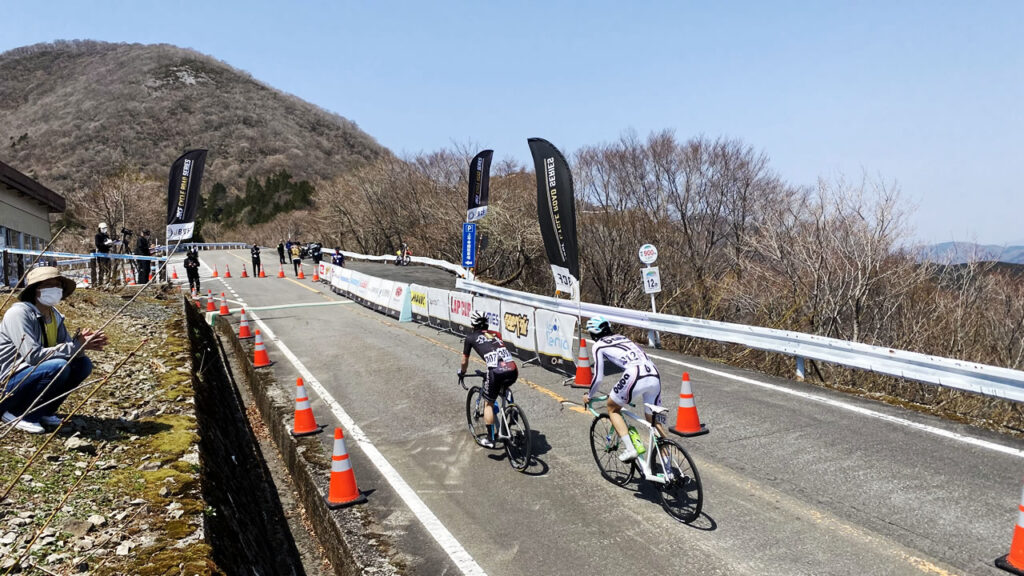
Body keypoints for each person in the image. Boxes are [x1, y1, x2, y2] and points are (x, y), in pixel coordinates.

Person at [0, 267, 107, 433]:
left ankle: (43, 410)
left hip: (32, 373)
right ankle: (17, 412)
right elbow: (33, 356)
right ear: (35, 290)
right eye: (49, 284)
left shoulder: (54, 315)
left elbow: (67, 351)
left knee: (82, 364)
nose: (55, 288)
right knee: (58, 366)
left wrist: (82, 345)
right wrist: (76, 345)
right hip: (8, 383)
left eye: (58, 285)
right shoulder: (19, 313)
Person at [582, 316, 667, 462]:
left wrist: (589, 394)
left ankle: (630, 449)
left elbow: (598, 376)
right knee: (653, 420)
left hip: (635, 374)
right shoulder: (622, 337)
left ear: (593, 334)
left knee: (612, 408)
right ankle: (669, 464)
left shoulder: (598, 345)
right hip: (653, 372)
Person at [457, 312, 518, 448]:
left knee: (488, 404)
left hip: (495, 371)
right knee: (504, 387)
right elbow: (496, 351)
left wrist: (462, 372)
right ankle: (513, 412)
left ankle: (491, 439)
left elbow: (464, 360)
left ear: (473, 325)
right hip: (512, 368)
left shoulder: (470, 337)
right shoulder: (496, 334)